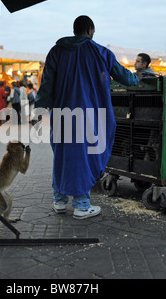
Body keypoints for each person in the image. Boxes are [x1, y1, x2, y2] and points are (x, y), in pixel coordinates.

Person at [34, 15, 139, 220]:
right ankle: (82, 205)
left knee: (62, 155)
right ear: (90, 30)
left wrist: (39, 108)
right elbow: (126, 77)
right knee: (84, 156)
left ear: (75, 30)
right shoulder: (100, 52)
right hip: (90, 115)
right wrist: (138, 77)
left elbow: (46, 83)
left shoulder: (56, 51)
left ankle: (59, 200)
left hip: (62, 114)